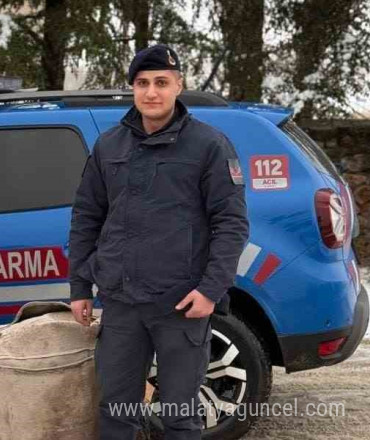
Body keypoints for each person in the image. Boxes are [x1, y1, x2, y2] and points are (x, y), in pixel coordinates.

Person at [68, 44, 249, 440]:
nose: (152, 92)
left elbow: (231, 223)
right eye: (143, 83)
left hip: (181, 305)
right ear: (132, 88)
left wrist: (209, 291)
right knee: (116, 412)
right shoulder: (109, 146)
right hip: (121, 304)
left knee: (179, 417)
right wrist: (80, 287)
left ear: (178, 86)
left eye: (161, 83)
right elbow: (86, 217)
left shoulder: (209, 146)